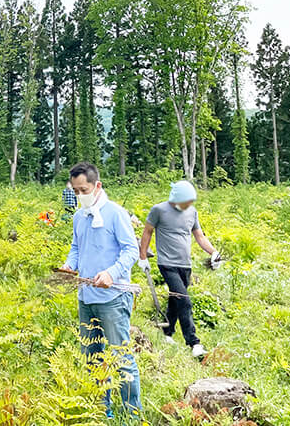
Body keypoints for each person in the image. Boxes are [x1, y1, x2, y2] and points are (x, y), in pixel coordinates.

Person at [60, 162, 141, 419]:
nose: (80, 195)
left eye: (83, 190)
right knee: (92, 357)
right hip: (86, 297)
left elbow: (131, 251)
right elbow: (76, 247)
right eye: (76, 191)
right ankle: (101, 410)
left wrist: (111, 273)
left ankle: (130, 415)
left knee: (121, 358)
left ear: (97, 186)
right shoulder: (78, 216)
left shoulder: (116, 213)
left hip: (113, 298)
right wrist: (68, 265)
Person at [138, 179, 220, 359]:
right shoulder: (158, 210)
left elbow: (199, 236)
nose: (189, 204)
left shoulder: (192, 212)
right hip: (167, 263)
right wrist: (142, 256)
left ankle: (167, 332)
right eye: (186, 201)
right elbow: (147, 232)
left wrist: (214, 252)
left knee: (176, 299)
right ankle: (194, 343)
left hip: (185, 264)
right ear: (176, 198)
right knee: (184, 300)